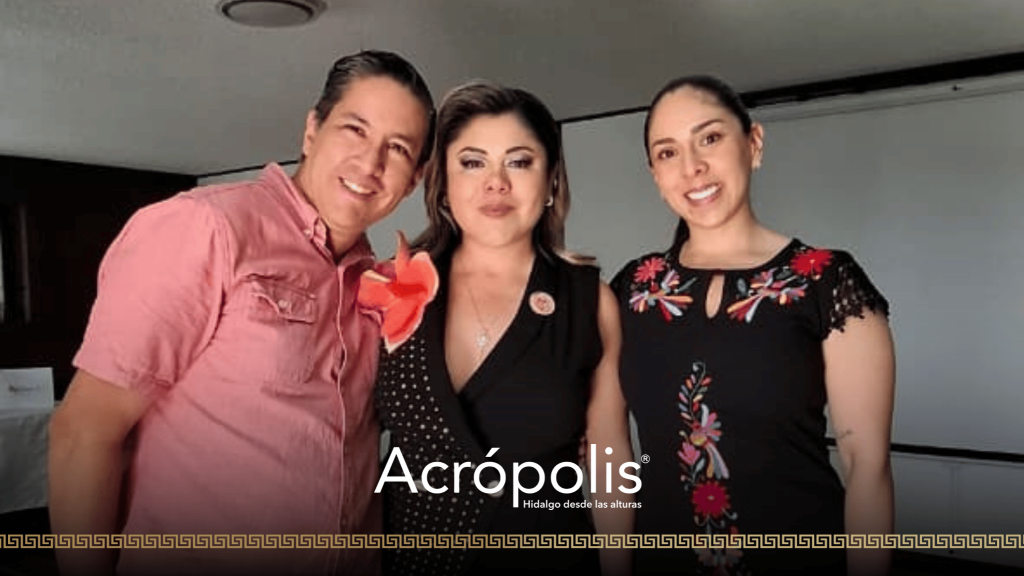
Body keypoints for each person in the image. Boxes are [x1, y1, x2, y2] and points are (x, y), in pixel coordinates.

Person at [47, 50, 435, 576]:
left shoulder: (380, 284)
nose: (370, 163)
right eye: (355, 130)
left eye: (398, 148)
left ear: (413, 179)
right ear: (312, 130)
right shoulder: (205, 227)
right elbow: (85, 431)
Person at [610, 75, 895, 576]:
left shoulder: (827, 281)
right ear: (655, 174)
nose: (692, 167)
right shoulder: (631, 288)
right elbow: (611, 456)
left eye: (710, 138)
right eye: (668, 152)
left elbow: (866, 469)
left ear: (754, 143)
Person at [370, 81, 635, 576]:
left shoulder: (589, 302)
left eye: (519, 162)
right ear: (443, 184)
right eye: (473, 163)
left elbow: (610, 462)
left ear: (551, 180)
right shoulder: (391, 286)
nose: (496, 183)